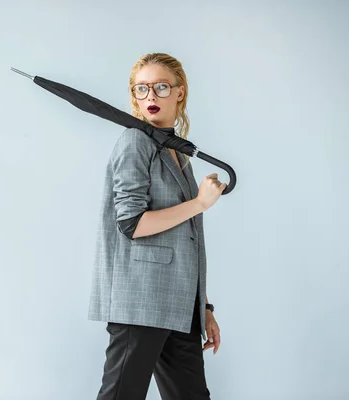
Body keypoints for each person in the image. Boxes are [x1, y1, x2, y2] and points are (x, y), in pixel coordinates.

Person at [88, 52, 226, 400]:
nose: (150, 97)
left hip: (179, 304)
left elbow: (184, 238)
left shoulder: (173, 150)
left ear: (180, 91)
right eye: (141, 89)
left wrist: (204, 307)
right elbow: (131, 223)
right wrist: (199, 203)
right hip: (141, 298)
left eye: (161, 87)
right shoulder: (136, 141)